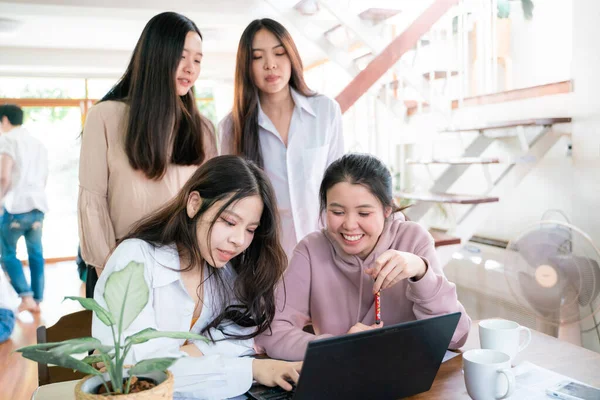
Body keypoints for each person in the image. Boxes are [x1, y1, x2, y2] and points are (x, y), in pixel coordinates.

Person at [92, 156, 301, 399]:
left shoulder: (224, 268)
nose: (239, 240)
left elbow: (243, 339)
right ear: (194, 204)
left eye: (250, 229)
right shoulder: (134, 259)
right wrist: (250, 368)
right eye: (230, 221)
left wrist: (188, 352)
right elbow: (137, 372)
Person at [256, 153, 472, 361]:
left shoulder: (414, 239)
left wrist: (422, 272)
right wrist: (339, 346)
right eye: (337, 212)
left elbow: (456, 336)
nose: (349, 225)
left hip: (409, 378)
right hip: (341, 379)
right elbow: (271, 332)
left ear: (387, 209)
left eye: (364, 213)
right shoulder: (311, 250)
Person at [79, 12, 217, 296]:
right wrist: (114, 279)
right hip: (120, 272)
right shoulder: (105, 117)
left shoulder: (202, 129)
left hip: (182, 274)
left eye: (198, 60)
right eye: (182, 56)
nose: (191, 68)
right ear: (156, 55)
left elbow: (210, 206)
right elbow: (93, 206)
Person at [220, 18, 344, 259]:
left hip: (326, 254)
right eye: (257, 57)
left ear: (292, 57)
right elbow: (231, 203)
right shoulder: (232, 127)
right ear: (246, 66)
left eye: (279, 53)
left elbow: (339, 185)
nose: (270, 65)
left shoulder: (325, 112)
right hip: (265, 261)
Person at [0, 104, 49, 313]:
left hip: (16, 207)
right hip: (38, 207)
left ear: (5, 120)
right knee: (36, 253)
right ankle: (36, 300)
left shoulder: (9, 140)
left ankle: (26, 296)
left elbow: (4, 176)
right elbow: (44, 176)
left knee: (7, 253)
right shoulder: (38, 143)